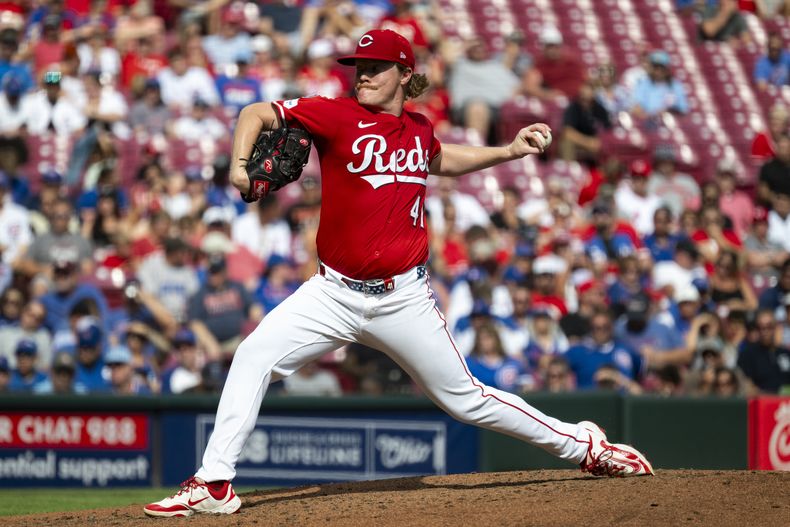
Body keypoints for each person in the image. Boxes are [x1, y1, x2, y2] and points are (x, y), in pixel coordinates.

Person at [144, 29, 653, 518]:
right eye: (358, 66)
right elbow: (256, 111)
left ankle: (583, 445)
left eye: (374, 67)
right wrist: (239, 165)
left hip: (404, 298)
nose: (362, 74)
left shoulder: (420, 127)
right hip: (333, 293)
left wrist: (508, 151)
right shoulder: (334, 114)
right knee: (253, 355)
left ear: (403, 73)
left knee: (467, 400)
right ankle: (214, 483)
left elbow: (442, 158)